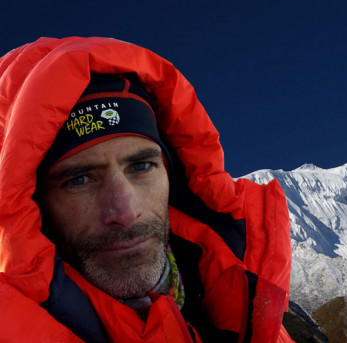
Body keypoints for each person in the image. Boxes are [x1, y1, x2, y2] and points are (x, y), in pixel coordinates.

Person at [0, 37, 294, 342]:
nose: (125, 212)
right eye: (79, 180)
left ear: (171, 174)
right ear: (31, 203)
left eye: (140, 167)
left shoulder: (243, 305)